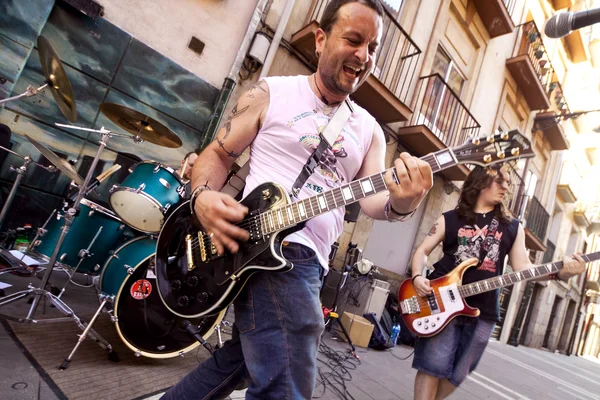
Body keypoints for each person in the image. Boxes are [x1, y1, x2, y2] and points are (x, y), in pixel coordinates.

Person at [162, 1, 433, 399]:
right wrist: (201, 197)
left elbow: (376, 201)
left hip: (312, 264)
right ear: (321, 40)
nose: (364, 55)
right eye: (354, 40)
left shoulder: (370, 130)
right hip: (277, 253)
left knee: (237, 363)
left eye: (373, 47)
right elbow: (218, 154)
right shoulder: (272, 92)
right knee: (285, 387)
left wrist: (405, 203)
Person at [409, 164, 586, 400]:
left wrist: (559, 272)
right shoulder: (450, 219)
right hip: (442, 301)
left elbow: (523, 267)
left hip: (484, 311)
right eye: (499, 180)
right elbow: (422, 251)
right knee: (432, 365)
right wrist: (418, 276)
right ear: (480, 182)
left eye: (508, 182)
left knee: (459, 373)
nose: (506, 186)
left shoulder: (512, 227)